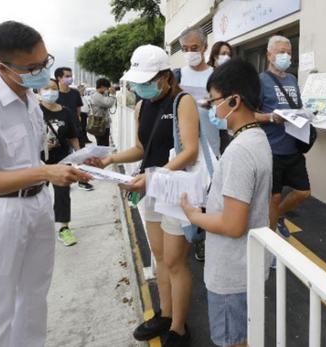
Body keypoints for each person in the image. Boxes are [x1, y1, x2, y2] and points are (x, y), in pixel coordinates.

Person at [0, 21, 91, 347]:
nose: (43, 72)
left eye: (46, 62)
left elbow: (32, 159)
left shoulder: (30, 98)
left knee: (34, 297)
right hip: (0, 215)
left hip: (37, 205)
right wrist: (44, 174)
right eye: (32, 67)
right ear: (1, 66)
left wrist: (73, 165)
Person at [87, 45, 199, 347]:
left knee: (176, 262)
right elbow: (141, 148)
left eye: (148, 80)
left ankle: (178, 328)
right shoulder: (141, 106)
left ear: (165, 76)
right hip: (150, 187)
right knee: (160, 256)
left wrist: (152, 177)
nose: (142, 86)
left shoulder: (183, 101)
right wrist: (110, 160)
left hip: (175, 190)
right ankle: (164, 314)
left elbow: (190, 151)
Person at [181, 58, 272, 347]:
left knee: (233, 341)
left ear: (234, 100)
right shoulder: (256, 139)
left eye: (213, 102)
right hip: (245, 267)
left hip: (232, 271)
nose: (210, 110)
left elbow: (233, 225)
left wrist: (193, 215)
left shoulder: (240, 151)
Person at [255, 35, 311, 238]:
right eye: (281, 52)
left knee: (304, 192)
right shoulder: (260, 81)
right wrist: (271, 117)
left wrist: (307, 112)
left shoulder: (292, 79)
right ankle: (271, 244)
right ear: (269, 55)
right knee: (274, 197)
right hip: (272, 150)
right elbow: (249, 114)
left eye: (288, 52)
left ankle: (277, 216)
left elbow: (297, 106)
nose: (286, 56)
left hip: (293, 146)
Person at [175, 26, 220, 262]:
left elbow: (225, 114)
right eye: (185, 49)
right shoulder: (177, 76)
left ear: (204, 47)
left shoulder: (217, 76)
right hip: (185, 147)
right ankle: (196, 238)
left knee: (211, 195)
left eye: (194, 48)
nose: (190, 52)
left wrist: (210, 107)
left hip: (211, 147)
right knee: (191, 193)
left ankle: (207, 237)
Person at [40, 78, 81, 246]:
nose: (50, 91)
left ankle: (64, 228)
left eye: (53, 88)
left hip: (62, 160)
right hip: (39, 162)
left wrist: (80, 155)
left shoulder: (66, 112)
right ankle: (38, 228)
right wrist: (41, 143)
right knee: (37, 195)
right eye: (46, 88)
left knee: (63, 194)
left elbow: (72, 135)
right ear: (39, 91)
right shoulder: (33, 111)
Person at [55, 66, 94, 191]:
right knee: (64, 158)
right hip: (61, 131)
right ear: (59, 78)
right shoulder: (54, 94)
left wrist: (77, 126)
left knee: (80, 156)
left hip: (76, 129)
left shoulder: (75, 93)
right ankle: (65, 181)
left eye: (70, 76)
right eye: (67, 76)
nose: (70, 79)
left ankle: (82, 181)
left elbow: (78, 112)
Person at [90, 77, 116, 147]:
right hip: (99, 125)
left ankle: (103, 157)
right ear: (101, 87)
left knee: (104, 144)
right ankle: (102, 158)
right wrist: (113, 94)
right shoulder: (96, 96)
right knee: (102, 145)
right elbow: (108, 103)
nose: (107, 90)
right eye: (106, 88)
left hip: (103, 124)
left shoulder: (101, 95)